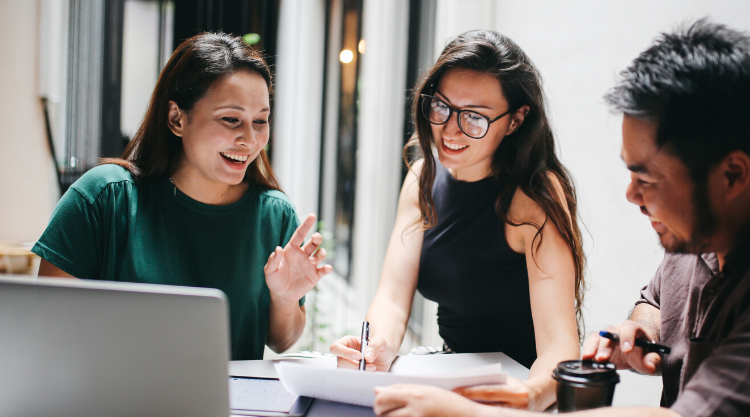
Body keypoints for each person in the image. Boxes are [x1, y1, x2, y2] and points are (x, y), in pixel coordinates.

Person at [372, 19, 750, 417]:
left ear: (733, 175)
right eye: (442, 107)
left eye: (648, 178)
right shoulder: (691, 244)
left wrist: (489, 409)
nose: (630, 195)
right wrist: (641, 329)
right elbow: (655, 299)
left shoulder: (535, 197)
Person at [31, 32, 332, 360]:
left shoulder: (274, 215)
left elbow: (282, 342)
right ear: (177, 118)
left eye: (260, 121)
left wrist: (285, 299)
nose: (249, 139)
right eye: (231, 120)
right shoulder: (102, 198)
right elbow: (45, 332)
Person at [330, 30, 585, 411]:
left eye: (475, 119)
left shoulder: (534, 197)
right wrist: (377, 345)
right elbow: (392, 298)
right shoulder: (422, 179)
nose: (450, 130)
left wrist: (525, 399)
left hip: (525, 388)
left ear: (515, 120)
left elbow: (559, 344)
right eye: (442, 107)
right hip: (453, 377)